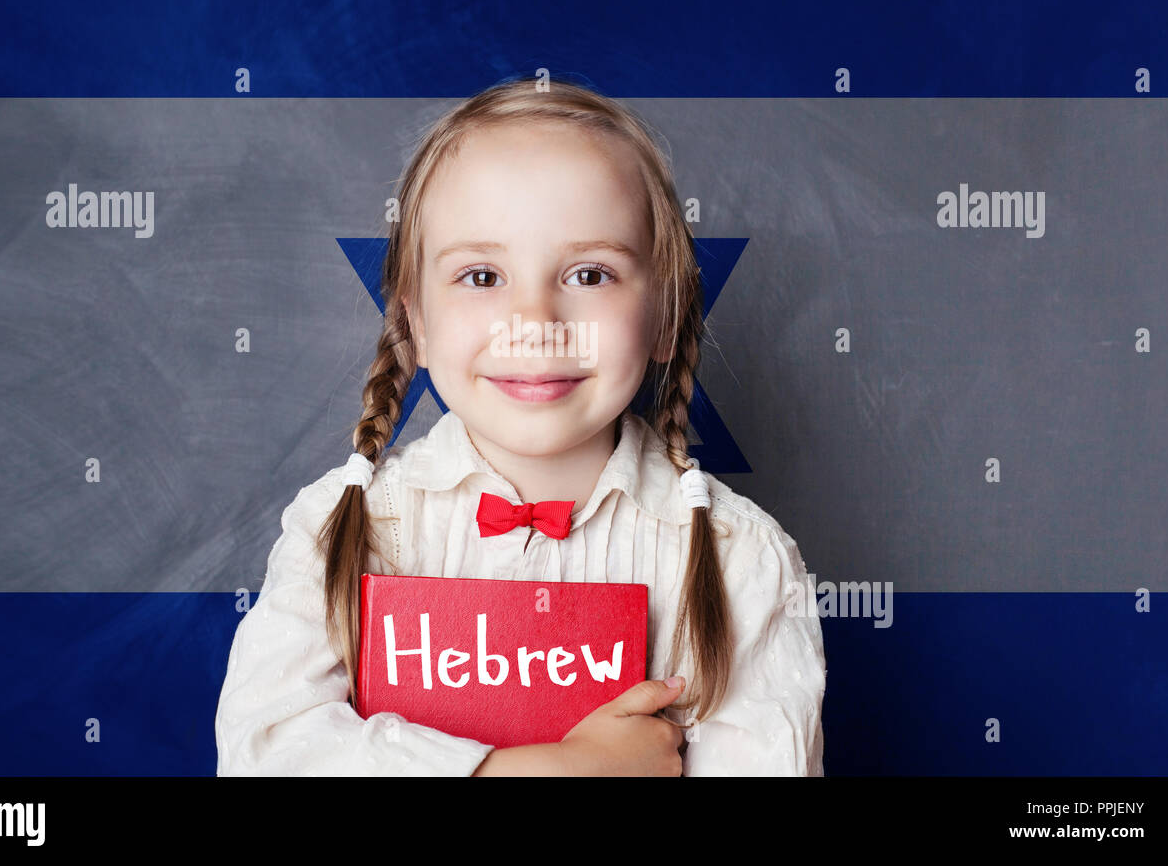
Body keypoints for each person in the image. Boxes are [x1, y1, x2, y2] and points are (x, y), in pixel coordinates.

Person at [214, 76, 826, 776]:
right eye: (481, 276)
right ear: (413, 318)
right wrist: (541, 772)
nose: (535, 322)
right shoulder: (343, 528)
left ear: (663, 315)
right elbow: (268, 755)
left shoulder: (739, 559)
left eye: (590, 275)